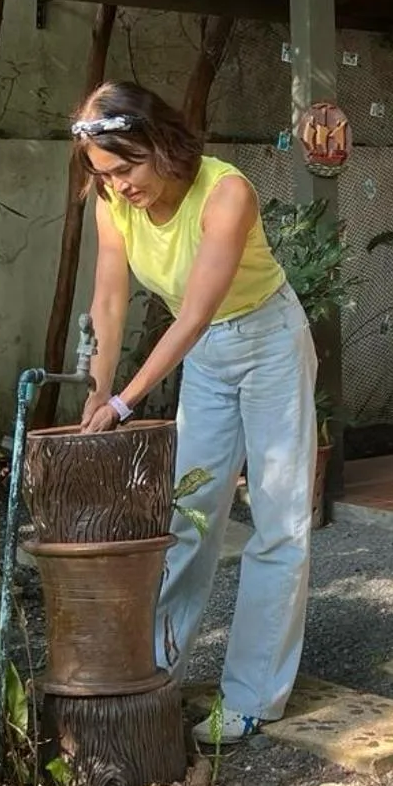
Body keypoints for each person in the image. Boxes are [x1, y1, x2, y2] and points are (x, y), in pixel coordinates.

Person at [72, 81, 316, 745]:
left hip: (268, 340)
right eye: (104, 174)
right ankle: (153, 671)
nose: (119, 185)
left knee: (277, 520)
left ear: (161, 142)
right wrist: (97, 389)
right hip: (206, 355)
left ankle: (253, 697)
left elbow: (196, 312)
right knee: (190, 513)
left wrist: (126, 400)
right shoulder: (111, 204)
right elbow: (110, 301)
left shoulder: (226, 193)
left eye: (127, 167)